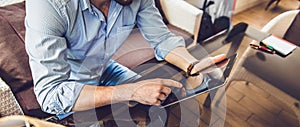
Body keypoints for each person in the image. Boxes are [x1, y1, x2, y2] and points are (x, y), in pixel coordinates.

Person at [25, 0, 226, 118]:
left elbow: (162, 39)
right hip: (71, 84)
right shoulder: (48, 6)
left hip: (105, 68)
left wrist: (193, 66)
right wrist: (129, 92)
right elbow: (50, 95)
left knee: (160, 105)